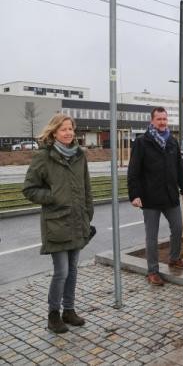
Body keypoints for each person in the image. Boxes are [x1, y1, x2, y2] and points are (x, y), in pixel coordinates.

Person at [23, 114, 94, 334]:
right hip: (56, 223)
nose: (69, 133)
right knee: (61, 271)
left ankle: (69, 311)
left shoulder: (79, 155)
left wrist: (87, 213)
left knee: (73, 270)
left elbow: (87, 188)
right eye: (64, 129)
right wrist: (52, 196)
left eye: (71, 129)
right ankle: (53, 314)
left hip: (77, 221)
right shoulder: (43, 157)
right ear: (54, 132)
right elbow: (29, 189)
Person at [127, 107, 183, 286]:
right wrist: (134, 195)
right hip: (150, 198)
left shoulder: (172, 141)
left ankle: (174, 258)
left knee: (178, 228)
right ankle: (153, 271)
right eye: (159, 119)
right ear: (152, 121)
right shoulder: (142, 142)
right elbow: (134, 171)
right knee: (152, 236)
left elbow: (179, 168)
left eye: (165, 119)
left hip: (170, 196)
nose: (162, 122)